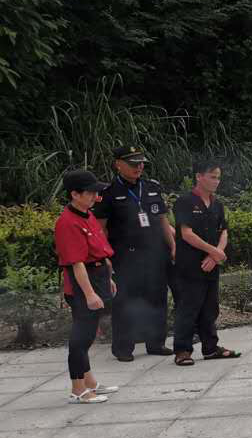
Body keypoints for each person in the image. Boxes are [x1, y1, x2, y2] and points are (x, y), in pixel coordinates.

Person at [93, 145, 175, 361]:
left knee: (157, 298)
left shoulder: (151, 187)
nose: (138, 167)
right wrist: (105, 257)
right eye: (132, 164)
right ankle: (123, 347)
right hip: (126, 256)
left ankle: (156, 343)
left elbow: (162, 220)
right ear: (118, 164)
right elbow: (101, 229)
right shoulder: (108, 193)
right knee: (125, 302)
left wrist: (173, 246)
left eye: (141, 163)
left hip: (155, 253)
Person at [54, 170, 120, 404]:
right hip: (82, 284)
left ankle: (90, 382)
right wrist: (90, 294)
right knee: (80, 339)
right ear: (74, 194)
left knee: (89, 335)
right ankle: (77, 389)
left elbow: (99, 252)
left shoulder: (87, 214)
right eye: (90, 192)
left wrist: (108, 278)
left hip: (98, 276)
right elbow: (76, 263)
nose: (95, 196)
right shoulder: (67, 223)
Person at [171, 160, 241, 365]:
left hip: (211, 264)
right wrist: (213, 252)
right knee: (188, 307)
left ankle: (210, 348)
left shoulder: (217, 204)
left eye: (218, 178)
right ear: (199, 177)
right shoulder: (185, 202)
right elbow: (186, 233)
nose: (216, 181)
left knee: (210, 308)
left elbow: (224, 231)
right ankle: (182, 350)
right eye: (212, 177)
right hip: (190, 265)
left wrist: (216, 254)